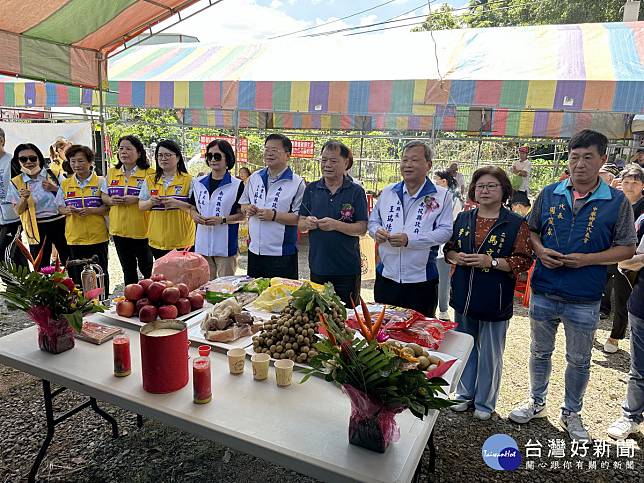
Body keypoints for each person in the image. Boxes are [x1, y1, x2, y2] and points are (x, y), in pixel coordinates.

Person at [509, 130, 637, 441]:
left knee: (579, 359)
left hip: (584, 295)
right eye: (574, 156)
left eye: (587, 157)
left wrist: (588, 259)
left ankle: (571, 412)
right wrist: (540, 251)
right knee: (540, 351)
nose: (579, 164)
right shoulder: (551, 193)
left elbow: (627, 247)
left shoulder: (616, 201)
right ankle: (536, 402)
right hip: (545, 288)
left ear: (603, 160)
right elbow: (532, 230)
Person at [444, 166, 533, 420]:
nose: (484, 190)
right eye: (480, 185)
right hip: (463, 294)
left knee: (491, 353)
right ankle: (464, 394)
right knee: (465, 345)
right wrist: (455, 257)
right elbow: (448, 249)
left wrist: (491, 262)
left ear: (504, 190)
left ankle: (485, 402)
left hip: (495, 296)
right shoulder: (463, 218)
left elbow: (522, 261)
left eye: (491, 185)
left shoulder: (515, 223)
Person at [368, 141, 453, 317]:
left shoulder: (442, 196)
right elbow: (373, 221)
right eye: (404, 160)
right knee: (384, 332)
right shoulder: (388, 192)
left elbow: (445, 231)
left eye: (414, 160)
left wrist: (410, 240)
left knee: (419, 333)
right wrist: (376, 231)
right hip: (386, 277)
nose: (407, 165)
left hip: (421, 280)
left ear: (428, 165)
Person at [299, 141, 368, 306]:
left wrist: (336, 225)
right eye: (324, 160)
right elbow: (300, 224)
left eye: (333, 161)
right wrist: (307, 223)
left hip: (347, 269)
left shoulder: (356, 191)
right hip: (318, 267)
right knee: (320, 317)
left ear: (346, 163)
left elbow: (362, 228)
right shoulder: (311, 189)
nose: (327, 165)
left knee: (347, 317)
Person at [239, 134, 305, 279]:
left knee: (281, 299)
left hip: (282, 254)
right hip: (255, 251)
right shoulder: (254, 178)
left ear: (287, 155)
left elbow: (300, 218)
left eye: (274, 150)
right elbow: (243, 204)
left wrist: (274, 216)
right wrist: (247, 208)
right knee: (254, 296)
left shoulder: (297, 183)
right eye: (267, 149)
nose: (269, 153)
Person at [606, 221, 644, 439]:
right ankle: (631, 416)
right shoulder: (642, 221)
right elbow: (625, 260)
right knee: (639, 370)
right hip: (641, 306)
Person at [101, 135, 155, 286]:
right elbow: (104, 195)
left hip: (142, 230)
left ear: (139, 153)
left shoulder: (149, 173)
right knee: (128, 269)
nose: (124, 152)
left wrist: (136, 199)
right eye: (121, 148)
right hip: (119, 230)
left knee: (147, 269)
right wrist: (111, 200)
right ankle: (130, 301)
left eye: (128, 149)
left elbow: (155, 196)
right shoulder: (112, 172)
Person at [55, 145, 110, 292]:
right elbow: (59, 207)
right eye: (73, 161)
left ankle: (102, 303)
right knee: (76, 276)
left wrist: (92, 211)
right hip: (74, 237)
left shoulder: (100, 181)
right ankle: (80, 307)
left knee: (100, 273)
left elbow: (107, 207)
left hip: (97, 236)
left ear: (90, 161)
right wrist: (67, 210)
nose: (76, 165)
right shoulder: (66, 184)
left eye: (80, 161)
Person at [602, 165, 644, 353]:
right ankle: (591, 325)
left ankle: (615, 336)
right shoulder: (615, 201)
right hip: (607, 253)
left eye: (635, 182)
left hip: (630, 259)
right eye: (626, 182)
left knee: (622, 297)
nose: (630, 186)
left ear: (642, 185)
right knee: (598, 288)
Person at [7, 144, 69, 265]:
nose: (29, 162)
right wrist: (23, 199)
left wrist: (55, 189)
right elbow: (17, 211)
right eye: (23, 159)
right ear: (18, 161)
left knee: (69, 260)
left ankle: (74, 283)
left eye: (32, 158)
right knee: (40, 265)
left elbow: (70, 195)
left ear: (39, 158)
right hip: (36, 226)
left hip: (60, 222)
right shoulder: (16, 182)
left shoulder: (54, 174)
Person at [190, 139, 244, 279]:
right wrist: (194, 215)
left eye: (217, 156)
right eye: (209, 156)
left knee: (224, 289)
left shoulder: (237, 185)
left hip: (225, 247)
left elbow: (242, 215)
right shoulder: (198, 183)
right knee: (205, 288)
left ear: (228, 158)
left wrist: (222, 220)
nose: (213, 159)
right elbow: (192, 207)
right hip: (202, 245)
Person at [139, 140, 195, 260]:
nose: (163, 159)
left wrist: (176, 203)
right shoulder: (150, 180)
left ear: (178, 157)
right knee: (162, 277)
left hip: (182, 241)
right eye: (160, 155)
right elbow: (141, 206)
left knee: (182, 277)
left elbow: (195, 208)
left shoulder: (189, 180)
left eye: (168, 155)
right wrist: (151, 202)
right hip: (157, 241)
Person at [432, 170, 463, 320]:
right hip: (432, 245)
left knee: (443, 280)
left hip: (443, 246)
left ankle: (443, 311)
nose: (434, 182)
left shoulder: (453, 198)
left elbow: (451, 223)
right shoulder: (433, 197)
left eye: (436, 180)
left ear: (444, 182)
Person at [0, 128, 26, 267]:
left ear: (2, 141)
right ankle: (25, 285)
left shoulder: (11, 161)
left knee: (4, 254)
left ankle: (14, 285)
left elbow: (23, 186)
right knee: (16, 254)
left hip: (12, 218)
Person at [510, 145, 532, 210]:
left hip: (523, 188)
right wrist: (520, 171)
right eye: (520, 153)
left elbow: (524, 174)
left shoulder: (528, 163)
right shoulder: (515, 162)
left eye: (523, 153)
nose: (521, 155)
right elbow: (513, 170)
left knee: (523, 207)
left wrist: (517, 171)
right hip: (515, 187)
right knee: (512, 205)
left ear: (526, 154)